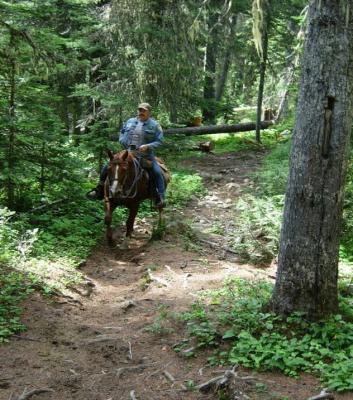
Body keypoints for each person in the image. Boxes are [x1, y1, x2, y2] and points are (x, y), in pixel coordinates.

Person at [87, 103, 165, 208]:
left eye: (144, 110)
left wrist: (148, 146)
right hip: (128, 152)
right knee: (108, 166)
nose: (141, 112)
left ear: (149, 112)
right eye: (140, 110)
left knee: (157, 172)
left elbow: (160, 141)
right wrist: (123, 140)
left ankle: (160, 198)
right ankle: (98, 190)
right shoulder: (130, 122)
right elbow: (122, 133)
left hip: (145, 155)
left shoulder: (155, 125)